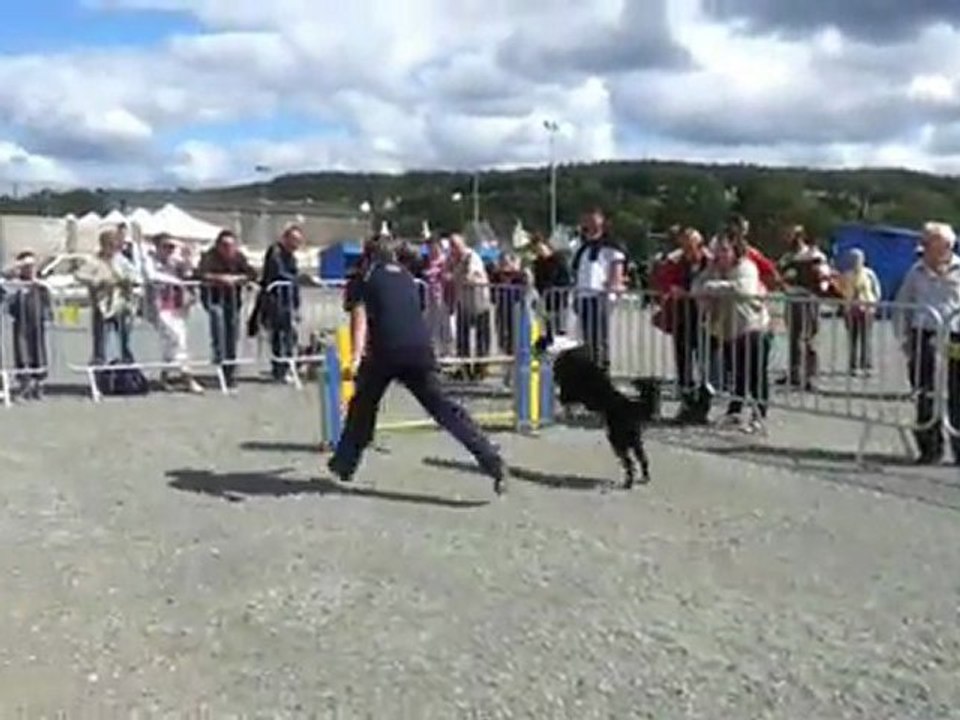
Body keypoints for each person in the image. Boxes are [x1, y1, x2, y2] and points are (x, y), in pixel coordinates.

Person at [327, 237, 508, 495]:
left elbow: (359, 316)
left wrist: (355, 357)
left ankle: (345, 462)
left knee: (363, 405)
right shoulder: (407, 277)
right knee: (445, 410)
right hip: (421, 349)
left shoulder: (363, 277)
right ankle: (492, 460)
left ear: (368, 256)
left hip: (385, 351)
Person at [894, 221, 960, 465]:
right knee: (925, 392)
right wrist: (903, 338)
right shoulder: (916, 272)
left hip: (955, 335)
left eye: (930, 242)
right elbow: (902, 304)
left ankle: (959, 447)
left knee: (957, 392)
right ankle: (930, 448)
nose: (925, 246)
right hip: (924, 335)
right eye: (925, 241)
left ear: (945, 245)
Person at [694, 234, 771, 433]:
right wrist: (711, 287)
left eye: (724, 249)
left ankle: (759, 415)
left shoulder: (746, 267)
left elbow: (743, 289)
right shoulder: (713, 270)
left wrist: (713, 288)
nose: (719, 254)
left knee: (756, 374)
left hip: (753, 327)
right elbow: (696, 287)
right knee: (736, 374)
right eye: (716, 250)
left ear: (735, 251)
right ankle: (734, 412)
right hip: (728, 329)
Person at [650, 227, 712, 423]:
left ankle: (703, 406)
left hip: (707, 319)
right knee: (683, 363)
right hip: (682, 318)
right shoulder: (676, 262)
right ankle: (686, 403)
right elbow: (662, 281)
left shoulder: (710, 263)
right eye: (684, 246)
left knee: (706, 364)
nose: (687, 250)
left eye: (691, 246)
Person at [197, 230, 258, 391]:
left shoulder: (239, 257)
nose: (228, 249)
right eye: (224, 245)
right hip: (214, 300)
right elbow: (201, 274)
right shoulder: (209, 256)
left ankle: (230, 369)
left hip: (233, 302)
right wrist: (221, 279)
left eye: (231, 246)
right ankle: (220, 360)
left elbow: (252, 273)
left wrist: (238, 279)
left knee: (232, 333)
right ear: (218, 246)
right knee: (219, 328)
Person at [143, 234, 204, 394]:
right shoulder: (149, 261)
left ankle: (165, 375)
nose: (169, 250)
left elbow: (189, 274)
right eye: (166, 246)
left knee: (173, 341)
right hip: (159, 306)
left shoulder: (174, 261)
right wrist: (175, 281)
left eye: (172, 247)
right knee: (176, 338)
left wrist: (188, 258)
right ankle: (187, 376)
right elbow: (151, 276)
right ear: (157, 247)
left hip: (178, 306)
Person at [777, 225, 833, 390]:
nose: (789, 240)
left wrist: (821, 285)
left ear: (800, 237)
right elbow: (778, 274)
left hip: (809, 299)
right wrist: (783, 284)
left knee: (808, 337)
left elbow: (824, 274)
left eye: (793, 236)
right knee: (794, 337)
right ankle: (794, 373)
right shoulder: (787, 257)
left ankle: (809, 375)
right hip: (792, 299)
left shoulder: (814, 255)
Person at [570, 207, 625, 373]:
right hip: (583, 295)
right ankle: (590, 371)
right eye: (586, 219)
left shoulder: (611, 245)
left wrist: (613, 288)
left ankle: (602, 370)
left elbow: (617, 268)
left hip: (599, 296)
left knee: (599, 337)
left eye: (593, 219)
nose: (589, 223)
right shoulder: (581, 245)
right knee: (586, 338)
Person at [76, 228, 138, 366]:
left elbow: (134, 275)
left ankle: (126, 364)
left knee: (124, 337)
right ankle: (100, 365)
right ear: (102, 244)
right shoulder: (94, 261)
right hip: (102, 305)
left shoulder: (121, 260)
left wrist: (127, 280)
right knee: (101, 338)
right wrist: (97, 281)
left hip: (121, 303)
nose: (112, 247)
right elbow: (80, 275)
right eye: (109, 244)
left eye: (114, 244)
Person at [258, 224, 305, 383]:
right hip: (275, 299)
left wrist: (297, 304)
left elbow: (293, 280)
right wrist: (297, 279)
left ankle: (286, 365)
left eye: (298, 241)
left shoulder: (292, 256)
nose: (296, 245)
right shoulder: (275, 251)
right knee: (279, 335)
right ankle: (279, 369)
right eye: (293, 240)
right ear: (286, 238)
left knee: (290, 335)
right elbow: (278, 273)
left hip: (288, 299)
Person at [2, 251, 51, 399]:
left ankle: (39, 383)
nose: (30, 270)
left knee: (39, 351)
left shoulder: (40, 284)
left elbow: (47, 300)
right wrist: (16, 268)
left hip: (37, 324)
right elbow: (4, 278)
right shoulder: (15, 284)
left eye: (32, 266)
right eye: (26, 266)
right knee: (22, 351)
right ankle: (25, 382)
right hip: (21, 324)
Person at [448, 233, 492, 379]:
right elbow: (447, 273)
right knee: (462, 339)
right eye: (451, 245)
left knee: (482, 339)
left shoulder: (471, 257)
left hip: (479, 303)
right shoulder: (453, 259)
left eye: (455, 245)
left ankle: (481, 369)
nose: (453, 248)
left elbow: (472, 276)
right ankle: (464, 369)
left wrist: (459, 276)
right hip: (464, 303)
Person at [839, 248, 881, 376]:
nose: (855, 261)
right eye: (853, 259)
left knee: (866, 338)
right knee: (853, 339)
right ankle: (853, 366)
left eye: (858, 259)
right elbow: (841, 291)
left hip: (867, 309)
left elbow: (876, 289)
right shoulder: (846, 275)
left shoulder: (869, 274)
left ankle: (866, 365)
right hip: (851, 311)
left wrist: (874, 303)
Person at [530, 233, 572, 337]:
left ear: (546, 246)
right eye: (536, 249)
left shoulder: (559, 259)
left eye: (540, 248)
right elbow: (537, 280)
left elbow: (565, 278)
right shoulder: (537, 263)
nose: (539, 251)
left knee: (560, 329)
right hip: (546, 300)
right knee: (547, 328)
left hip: (560, 299)